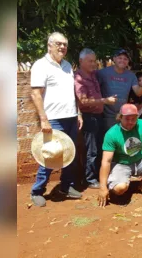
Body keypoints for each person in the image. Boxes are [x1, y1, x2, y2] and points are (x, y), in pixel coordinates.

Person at [29, 32, 83, 207]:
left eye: (65, 44)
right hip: (53, 119)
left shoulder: (67, 65)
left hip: (71, 117)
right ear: (49, 45)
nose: (62, 47)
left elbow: (72, 93)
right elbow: (36, 93)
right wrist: (43, 119)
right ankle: (37, 191)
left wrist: (78, 113)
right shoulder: (40, 65)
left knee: (70, 155)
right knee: (50, 156)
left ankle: (66, 186)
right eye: (58, 44)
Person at [97, 104, 142, 206]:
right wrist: (102, 187)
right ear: (120, 117)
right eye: (127, 119)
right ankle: (113, 184)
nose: (130, 122)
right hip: (121, 164)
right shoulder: (111, 134)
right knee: (120, 188)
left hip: (140, 161)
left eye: (133, 119)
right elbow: (106, 161)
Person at [74, 48, 118, 189]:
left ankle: (99, 175)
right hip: (89, 117)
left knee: (100, 147)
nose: (94, 64)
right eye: (90, 61)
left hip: (98, 116)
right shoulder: (78, 78)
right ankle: (90, 179)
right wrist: (105, 101)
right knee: (91, 149)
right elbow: (83, 101)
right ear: (81, 61)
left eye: (95, 61)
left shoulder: (93, 75)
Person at [96, 49, 142, 132]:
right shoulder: (102, 73)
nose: (122, 60)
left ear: (128, 61)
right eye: (120, 58)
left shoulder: (131, 76)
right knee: (108, 140)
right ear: (114, 59)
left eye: (125, 59)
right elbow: (95, 90)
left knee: (122, 140)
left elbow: (138, 93)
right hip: (106, 115)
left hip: (123, 114)